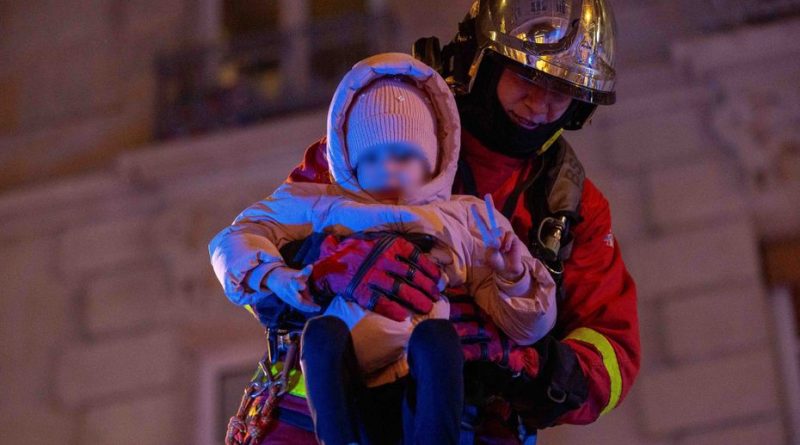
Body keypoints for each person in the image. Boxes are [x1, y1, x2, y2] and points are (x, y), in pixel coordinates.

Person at [282, 0, 640, 441]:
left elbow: (613, 352)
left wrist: (531, 364)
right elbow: (263, 248)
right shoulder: (381, 127)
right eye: (528, 75)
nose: (540, 105)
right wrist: (334, 269)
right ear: (482, 62)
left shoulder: (569, 205)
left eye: (560, 90)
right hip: (314, 421)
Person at [209, 53, 558, 445]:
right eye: (372, 157)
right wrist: (276, 273)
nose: (389, 167)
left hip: (417, 368)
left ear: (433, 161)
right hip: (350, 368)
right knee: (321, 336)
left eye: (405, 155)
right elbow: (237, 237)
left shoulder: (463, 218)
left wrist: (511, 274)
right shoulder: (325, 203)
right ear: (349, 161)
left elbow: (531, 321)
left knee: (439, 342)